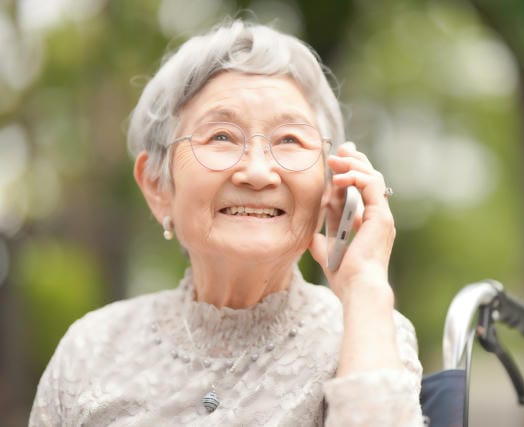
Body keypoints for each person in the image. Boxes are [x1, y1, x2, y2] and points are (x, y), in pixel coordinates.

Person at [29, 19, 424, 426]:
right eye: (221, 136)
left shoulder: (369, 332)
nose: (257, 172)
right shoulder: (91, 348)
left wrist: (365, 287)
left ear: (329, 184)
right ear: (157, 184)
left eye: (290, 140)